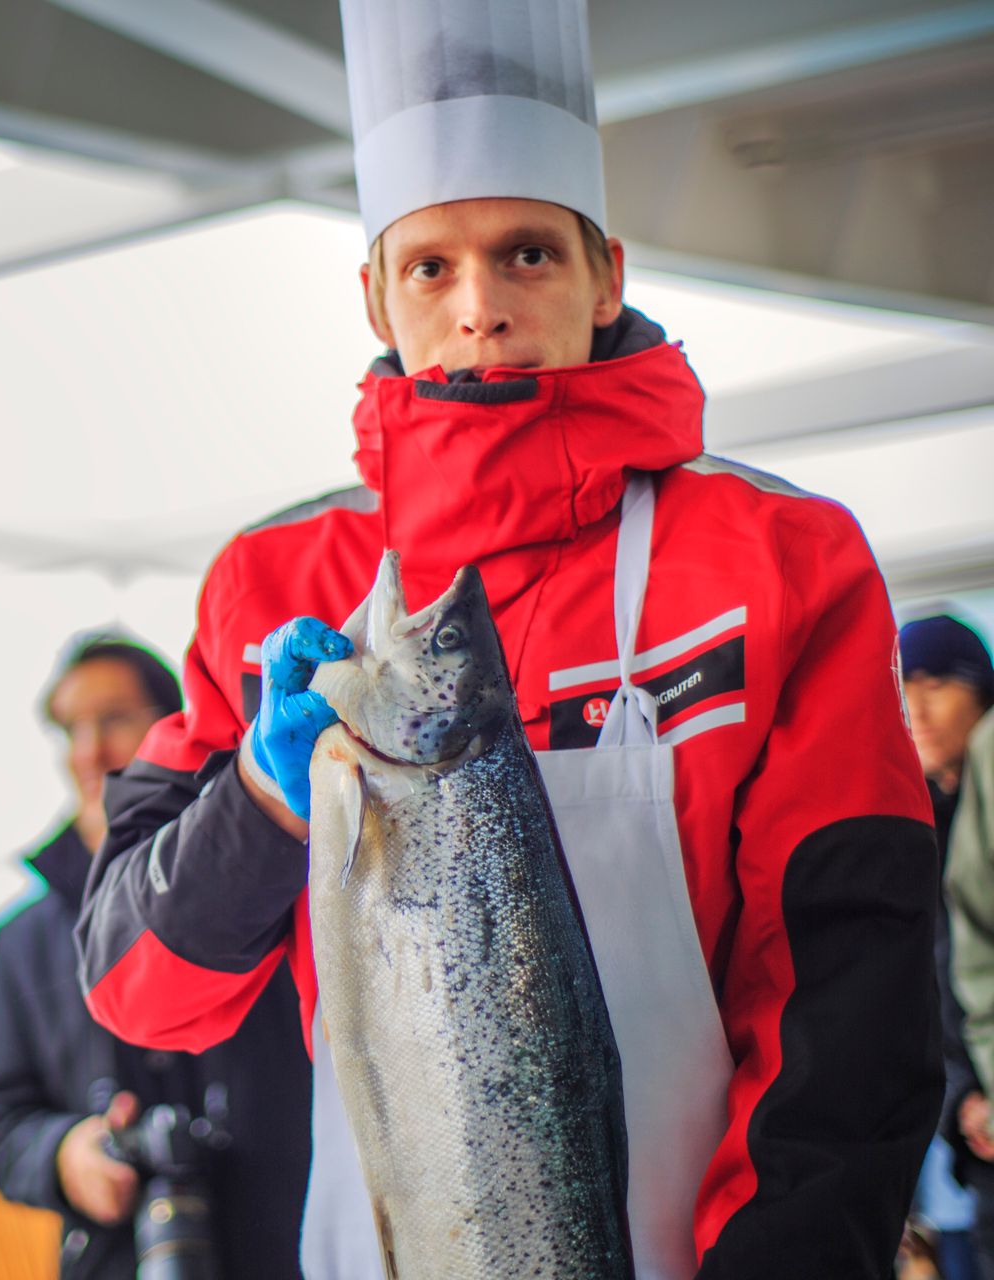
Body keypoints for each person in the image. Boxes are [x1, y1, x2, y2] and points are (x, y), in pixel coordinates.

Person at [74, 0, 940, 1275]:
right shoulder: (276, 583)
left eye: (527, 253)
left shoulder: (776, 558)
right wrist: (261, 796)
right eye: (431, 265)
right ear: (375, 293)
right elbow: (140, 982)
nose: (478, 306)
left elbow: (848, 996)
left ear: (608, 275)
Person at [0, 633, 311, 1278]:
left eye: (113, 719)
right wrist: (64, 1155)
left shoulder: (268, 877)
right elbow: (1, 1124)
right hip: (119, 1255)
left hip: (288, 1247)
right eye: (70, 729)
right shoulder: (20, 940)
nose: (87, 751)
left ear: (172, 727)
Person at [901, 616, 994, 1278]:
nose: (918, 710)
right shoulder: (913, 826)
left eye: (936, 684)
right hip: (968, 1131)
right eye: (904, 689)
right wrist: (962, 1094)